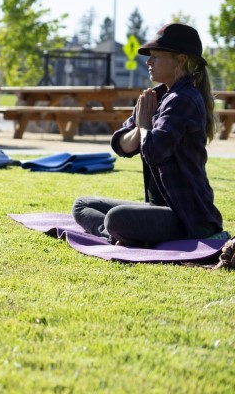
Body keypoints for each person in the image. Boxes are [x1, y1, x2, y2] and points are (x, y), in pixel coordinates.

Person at [72, 23, 225, 245]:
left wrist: (144, 126)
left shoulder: (184, 99)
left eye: (156, 56)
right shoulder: (158, 96)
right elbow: (121, 145)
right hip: (158, 209)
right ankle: (114, 235)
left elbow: (154, 152)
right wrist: (140, 128)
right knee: (82, 205)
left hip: (187, 216)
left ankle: (119, 232)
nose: (148, 62)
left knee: (116, 218)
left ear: (180, 60)